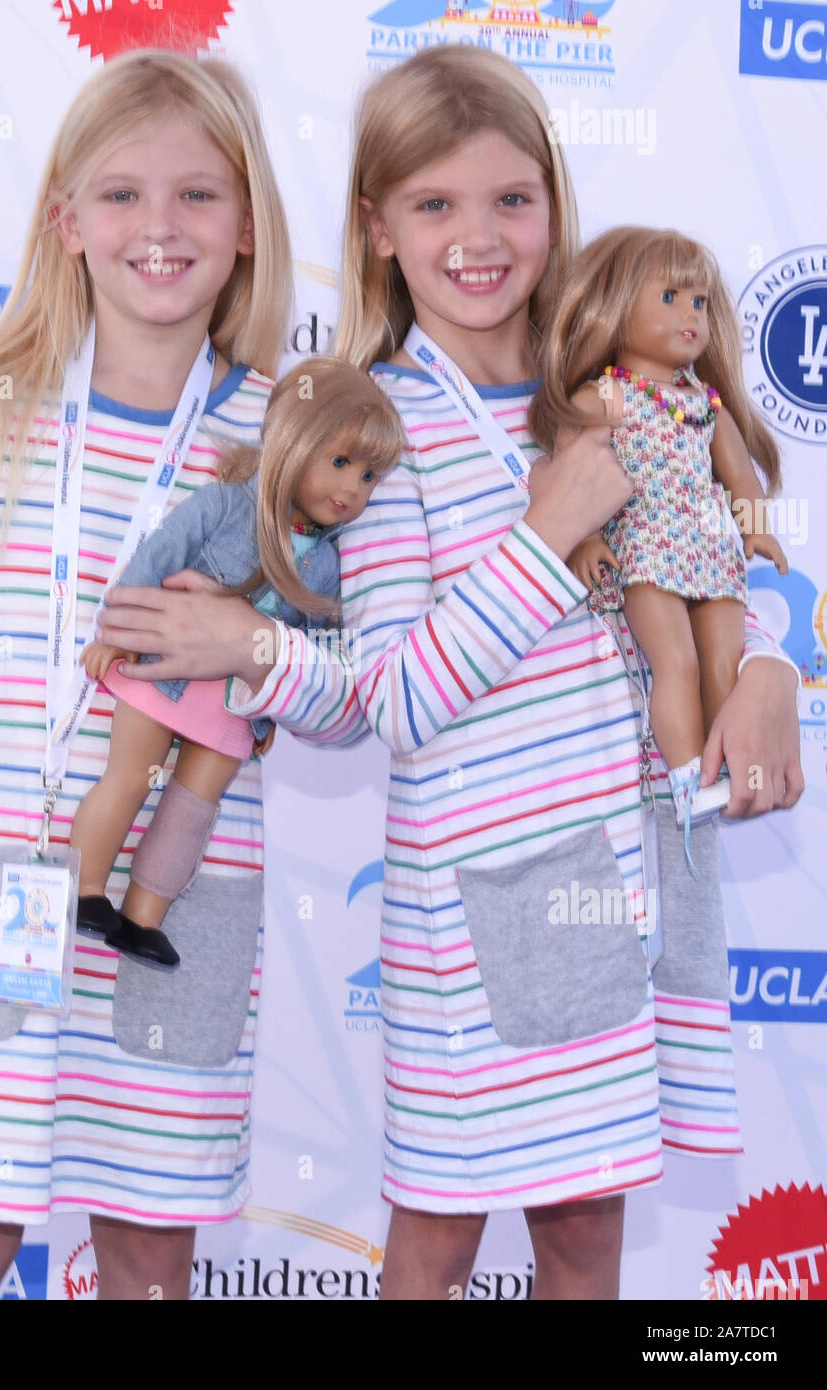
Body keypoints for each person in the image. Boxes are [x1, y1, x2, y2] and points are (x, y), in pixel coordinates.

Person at [0, 48, 359, 1302]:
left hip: (171, 906)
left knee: (149, 1240)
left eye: (196, 197)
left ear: (247, 227)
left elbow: (346, 691)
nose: (157, 230)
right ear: (64, 219)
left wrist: (250, 649)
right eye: (119, 195)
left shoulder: (285, 437)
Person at [328, 46, 803, 1300]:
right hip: (477, 902)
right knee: (436, 1228)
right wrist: (544, 535)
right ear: (377, 228)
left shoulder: (624, 385)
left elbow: (743, 545)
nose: (477, 238)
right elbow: (395, 698)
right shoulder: (372, 427)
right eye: (433, 205)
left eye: (509, 200)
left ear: (554, 203)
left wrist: (766, 666)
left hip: (635, 871)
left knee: (587, 1229)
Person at [70, 358, 403, 968]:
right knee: (127, 779)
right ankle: (84, 889)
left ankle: (144, 916)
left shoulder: (327, 568)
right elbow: (158, 555)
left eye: (370, 476)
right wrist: (114, 634)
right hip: (158, 674)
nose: (353, 488)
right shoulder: (225, 506)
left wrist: (273, 711)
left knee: (191, 812)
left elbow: (314, 657)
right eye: (339, 462)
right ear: (292, 441)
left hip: (232, 711)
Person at [529, 226, 789, 854]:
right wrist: (586, 538)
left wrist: (756, 530)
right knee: (677, 664)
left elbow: (740, 480)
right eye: (670, 298)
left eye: (698, 302)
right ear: (614, 307)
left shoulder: (705, 403)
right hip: (647, 552)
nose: (690, 316)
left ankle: (724, 768)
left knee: (723, 668)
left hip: (712, 555)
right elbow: (570, 467)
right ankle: (684, 778)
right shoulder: (609, 395)